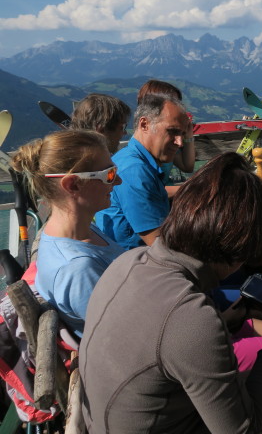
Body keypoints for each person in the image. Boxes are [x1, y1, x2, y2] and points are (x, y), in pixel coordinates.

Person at [80, 152, 262, 434]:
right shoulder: (191, 319)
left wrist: (226, 319)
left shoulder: (128, 262)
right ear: (241, 250)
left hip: (125, 419)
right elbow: (243, 429)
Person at [11, 130, 125, 338]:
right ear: (73, 185)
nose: (118, 182)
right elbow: (122, 336)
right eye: (109, 174)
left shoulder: (76, 232)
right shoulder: (78, 269)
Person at [95, 94, 190, 250]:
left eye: (183, 134)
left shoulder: (131, 159)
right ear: (144, 124)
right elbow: (162, 248)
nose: (179, 143)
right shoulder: (135, 171)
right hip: (137, 262)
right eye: (172, 131)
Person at [137, 79, 195, 198]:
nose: (177, 106)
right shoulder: (141, 157)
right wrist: (193, 189)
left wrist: (187, 135)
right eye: (172, 101)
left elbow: (187, 166)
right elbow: (149, 190)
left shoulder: (168, 143)